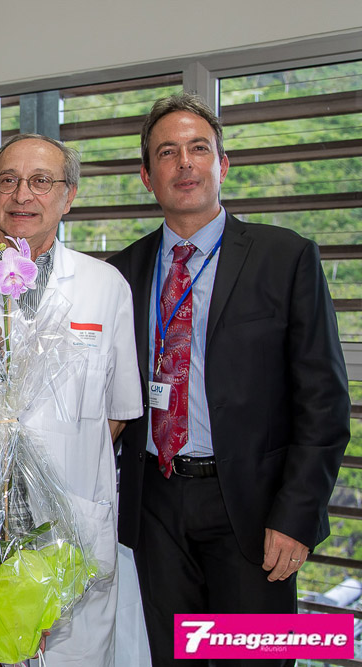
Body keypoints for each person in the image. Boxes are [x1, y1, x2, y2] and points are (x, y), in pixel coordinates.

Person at [108, 93, 350, 666]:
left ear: (223, 164)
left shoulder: (285, 257)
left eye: (198, 149)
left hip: (251, 509)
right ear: (146, 176)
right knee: (170, 657)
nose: (184, 163)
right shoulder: (122, 272)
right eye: (167, 152)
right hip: (154, 505)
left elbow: (323, 402)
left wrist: (296, 518)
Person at [0, 134, 143, 667]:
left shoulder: (104, 285)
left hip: (73, 520)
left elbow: (118, 412)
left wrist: (47, 465)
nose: (22, 195)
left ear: (69, 195)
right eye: (7, 180)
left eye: (41, 181)